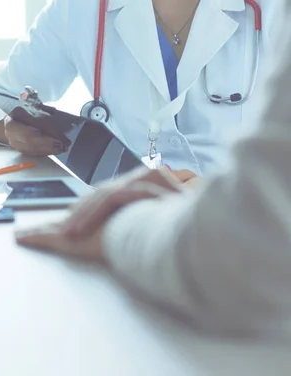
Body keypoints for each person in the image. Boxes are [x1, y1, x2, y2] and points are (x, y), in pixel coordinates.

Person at [15, 3, 291, 335]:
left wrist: (117, 224)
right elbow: (0, 92)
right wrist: (12, 127)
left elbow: (247, 254)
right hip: (164, 279)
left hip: (214, 278)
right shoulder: (81, 8)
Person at [0, 0, 285, 180]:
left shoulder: (275, 9)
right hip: (129, 221)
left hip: (250, 231)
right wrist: (13, 130)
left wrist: (222, 195)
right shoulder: (82, 7)